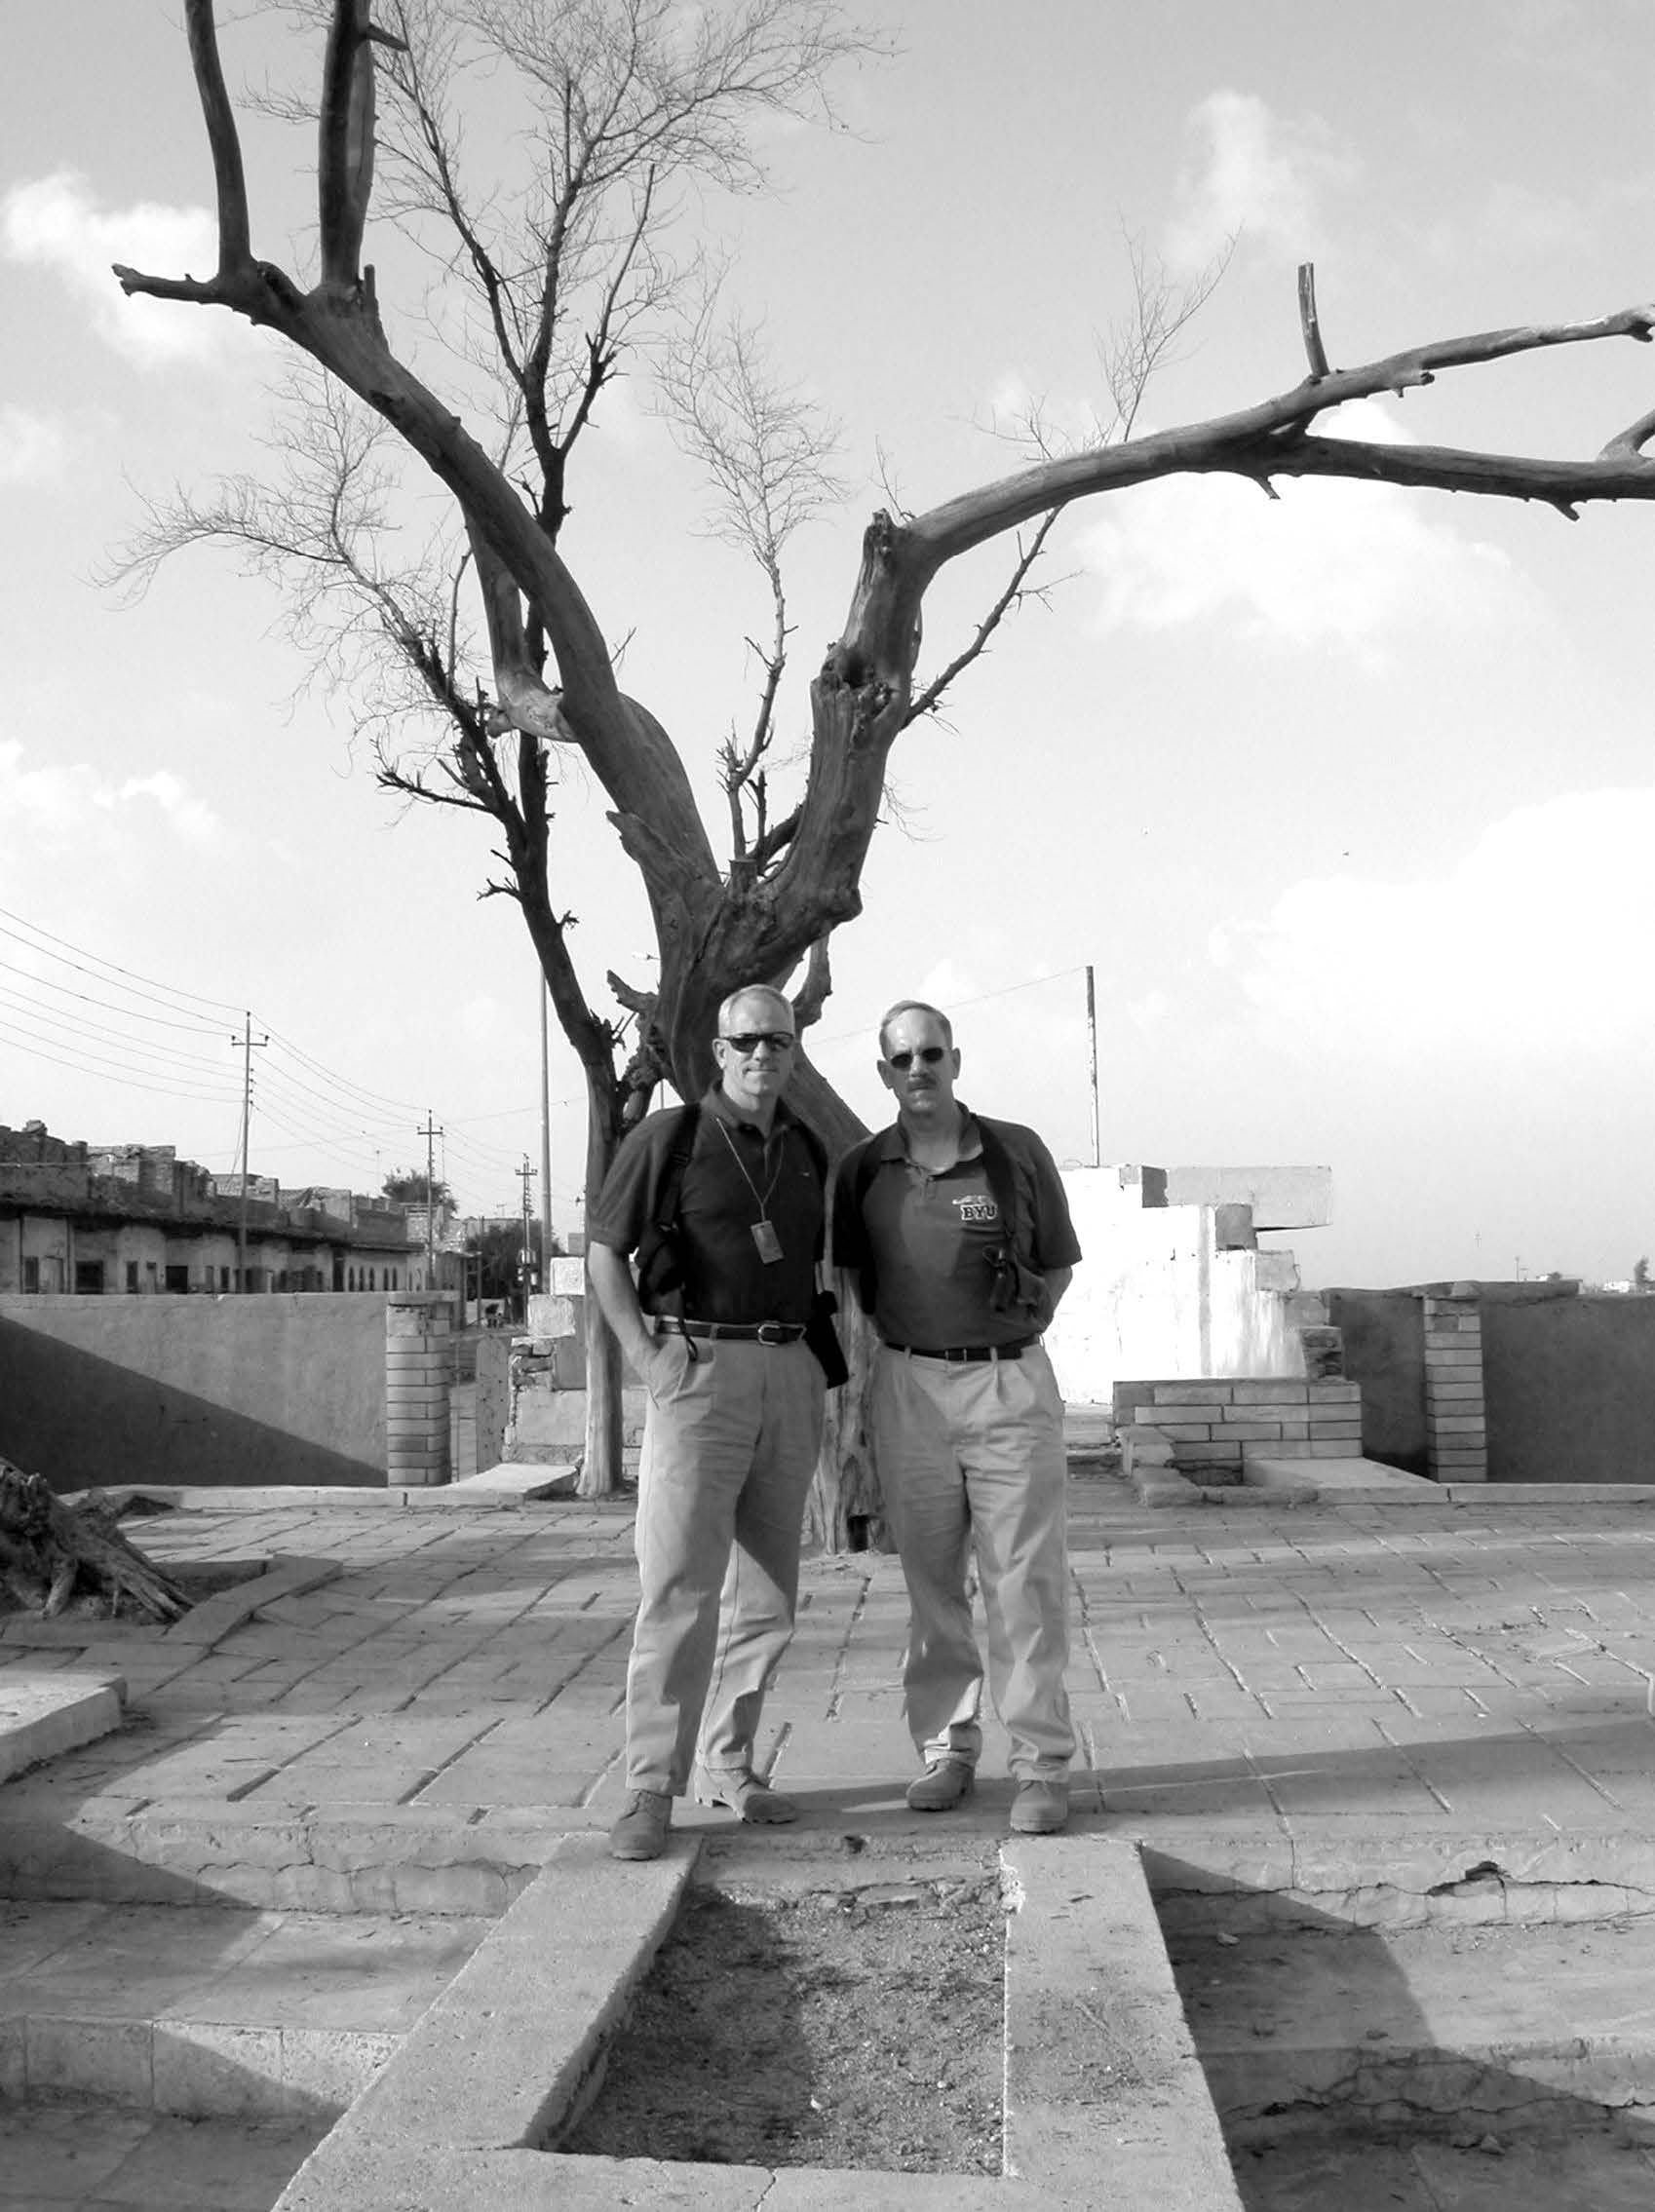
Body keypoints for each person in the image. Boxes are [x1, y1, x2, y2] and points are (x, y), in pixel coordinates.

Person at [588, 984, 828, 1861]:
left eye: (780, 1041)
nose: (765, 1054)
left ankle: (730, 1764)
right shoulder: (673, 1136)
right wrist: (647, 1361)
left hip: (789, 1370)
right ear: (719, 1052)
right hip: (698, 1367)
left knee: (768, 1595)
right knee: (680, 1585)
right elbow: (604, 1253)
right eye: (748, 1041)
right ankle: (651, 1787)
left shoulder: (806, 1150)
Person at [833, 999, 1083, 1835]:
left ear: (956, 1059)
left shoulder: (1015, 1154)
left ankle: (1041, 1765)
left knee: (1024, 1582)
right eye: (901, 1059)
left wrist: (1019, 1323)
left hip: (1007, 1385)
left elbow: (1058, 1265)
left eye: (931, 1053)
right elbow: (854, 1288)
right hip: (908, 1388)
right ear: (882, 1072)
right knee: (932, 1582)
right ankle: (948, 1749)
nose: (918, 1070)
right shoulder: (863, 1170)